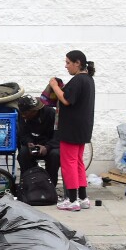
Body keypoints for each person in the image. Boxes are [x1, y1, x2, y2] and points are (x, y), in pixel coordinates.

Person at [48, 50, 96, 212]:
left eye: (68, 62)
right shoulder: (88, 80)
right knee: (78, 161)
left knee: (68, 162)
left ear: (78, 63)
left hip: (71, 128)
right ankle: (83, 198)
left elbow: (67, 100)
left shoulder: (78, 80)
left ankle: (72, 200)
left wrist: (54, 86)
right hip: (83, 128)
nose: (66, 66)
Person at [16, 94, 61, 192]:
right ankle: (28, 185)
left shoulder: (51, 114)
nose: (24, 115)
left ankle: (51, 186)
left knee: (55, 155)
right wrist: (29, 143)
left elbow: (58, 136)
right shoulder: (22, 115)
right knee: (23, 154)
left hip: (49, 145)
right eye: (22, 113)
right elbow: (22, 134)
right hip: (32, 145)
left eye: (26, 113)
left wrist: (47, 147)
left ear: (35, 110)